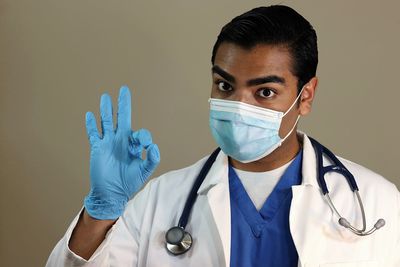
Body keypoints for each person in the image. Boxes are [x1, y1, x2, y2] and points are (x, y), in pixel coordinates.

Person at [46, 5, 400, 267]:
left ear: (305, 97)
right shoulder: (159, 201)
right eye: (225, 85)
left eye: (264, 92)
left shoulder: (376, 202)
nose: (237, 105)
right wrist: (100, 212)